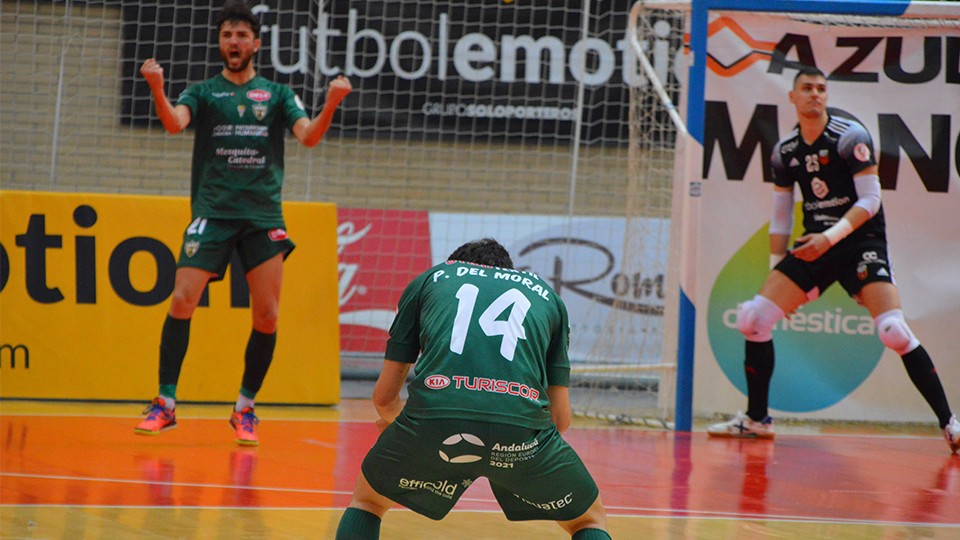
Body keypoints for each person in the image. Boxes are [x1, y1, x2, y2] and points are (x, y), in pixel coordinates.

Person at [133, 0, 352, 446]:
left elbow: (308, 136)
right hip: (212, 213)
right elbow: (175, 124)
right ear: (221, 43)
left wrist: (331, 103)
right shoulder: (204, 91)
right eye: (226, 35)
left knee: (267, 314)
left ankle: (245, 407)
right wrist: (157, 88)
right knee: (181, 299)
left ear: (256, 43)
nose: (233, 42)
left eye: (241, 35)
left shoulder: (275, 94)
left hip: (262, 217)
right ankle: (165, 403)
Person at [707, 66, 959, 453]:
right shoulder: (785, 151)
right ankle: (757, 420)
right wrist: (780, 272)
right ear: (792, 97)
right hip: (815, 246)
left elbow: (871, 200)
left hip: (859, 241)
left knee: (893, 330)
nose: (815, 94)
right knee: (754, 317)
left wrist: (829, 238)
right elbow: (780, 214)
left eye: (821, 89)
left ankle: (951, 424)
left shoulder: (850, 137)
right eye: (806, 88)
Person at [335, 238, 611, 539]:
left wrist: (399, 428)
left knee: (369, 500)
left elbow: (384, 398)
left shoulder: (432, 278)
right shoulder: (548, 297)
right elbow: (560, 420)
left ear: (457, 262)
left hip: (433, 421)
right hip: (519, 435)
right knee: (588, 519)